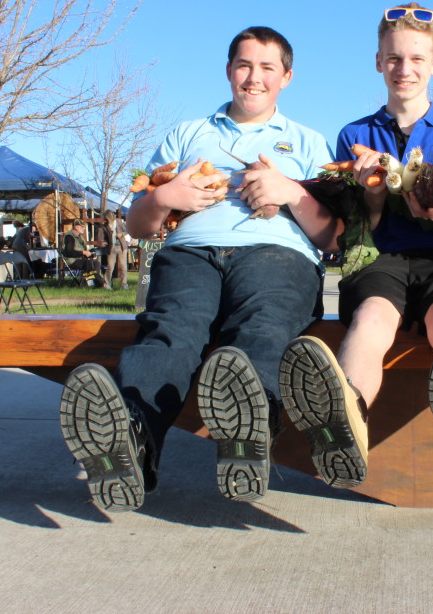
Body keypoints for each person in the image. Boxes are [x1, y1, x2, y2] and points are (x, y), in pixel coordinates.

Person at [57, 26, 339, 511]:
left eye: (267, 68)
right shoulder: (187, 134)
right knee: (170, 333)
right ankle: (130, 442)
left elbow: (334, 239)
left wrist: (290, 191)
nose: (254, 78)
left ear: (287, 77)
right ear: (229, 71)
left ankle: (247, 441)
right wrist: (166, 197)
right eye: (244, 65)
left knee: (263, 328)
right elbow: (138, 224)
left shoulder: (308, 141)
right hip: (190, 252)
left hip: (277, 255)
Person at [278, 3, 433, 495]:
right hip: (380, 256)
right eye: (394, 58)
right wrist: (374, 193)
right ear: (378, 62)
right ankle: (346, 426)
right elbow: (361, 226)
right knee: (371, 317)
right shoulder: (355, 136)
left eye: (417, 58)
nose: (405, 68)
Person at [60, 219, 102, 287]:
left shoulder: (80, 237)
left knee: (94, 262)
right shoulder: (69, 237)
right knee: (92, 263)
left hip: (80, 259)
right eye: (82, 226)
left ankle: (93, 283)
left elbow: (84, 250)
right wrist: (83, 252)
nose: (84, 228)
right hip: (72, 261)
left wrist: (91, 253)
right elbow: (69, 252)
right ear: (76, 227)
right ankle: (91, 283)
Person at [102, 210, 130, 289]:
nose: (105, 220)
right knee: (110, 267)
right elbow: (105, 237)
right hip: (111, 247)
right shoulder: (105, 226)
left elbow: (127, 230)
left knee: (123, 266)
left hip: (121, 247)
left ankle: (124, 284)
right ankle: (107, 284)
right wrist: (105, 242)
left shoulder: (118, 222)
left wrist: (121, 234)